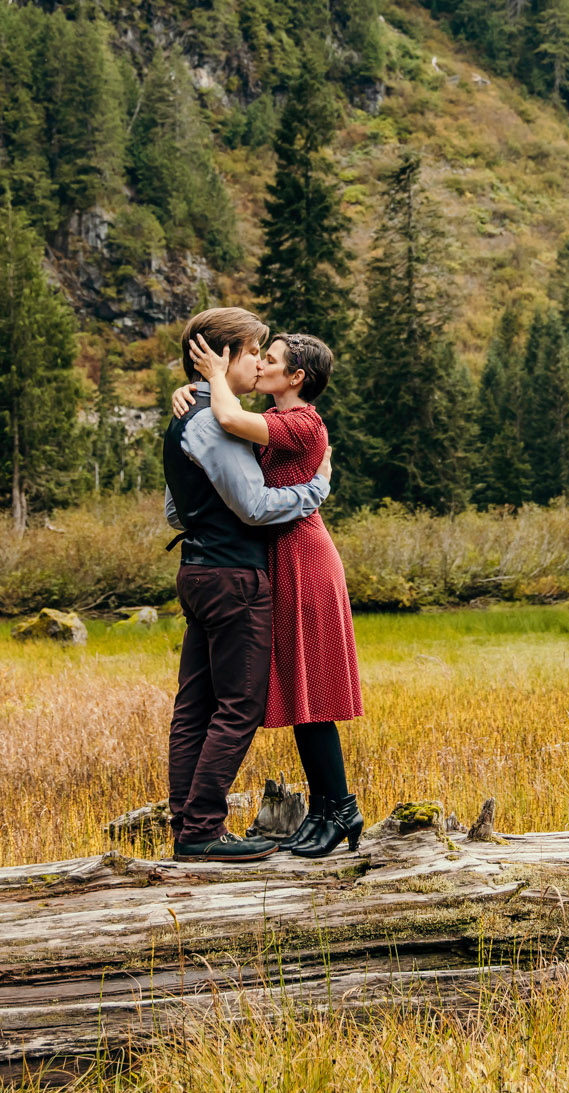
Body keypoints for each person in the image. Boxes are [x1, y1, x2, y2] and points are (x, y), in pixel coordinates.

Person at [179, 329, 366, 858]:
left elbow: (231, 420)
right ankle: (330, 806)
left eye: (272, 362)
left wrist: (213, 379)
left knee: (313, 696)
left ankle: (339, 807)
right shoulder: (282, 422)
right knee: (302, 691)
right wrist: (194, 393)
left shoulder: (301, 422)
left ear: (296, 378)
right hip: (280, 557)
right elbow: (221, 421)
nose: (259, 366)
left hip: (303, 557)